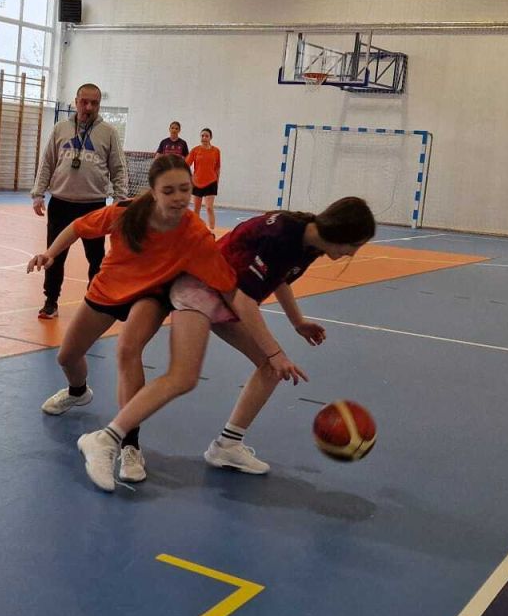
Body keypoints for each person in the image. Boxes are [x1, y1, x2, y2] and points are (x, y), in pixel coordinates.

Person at [27, 155, 302, 492]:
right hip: (109, 288)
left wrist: (268, 344)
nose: (178, 197)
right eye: (169, 190)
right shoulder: (126, 213)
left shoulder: (195, 234)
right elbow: (78, 227)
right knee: (68, 356)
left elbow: (229, 289)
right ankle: (78, 392)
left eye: (185, 189)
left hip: (152, 293)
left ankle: (128, 446)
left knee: (128, 350)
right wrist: (50, 253)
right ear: (153, 192)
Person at [199, 200, 376, 473]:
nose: (352, 253)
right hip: (207, 292)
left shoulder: (309, 242)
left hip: (221, 294)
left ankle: (227, 445)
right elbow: (243, 300)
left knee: (269, 368)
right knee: (183, 378)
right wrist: (276, 353)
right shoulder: (282, 235)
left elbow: (278, 278)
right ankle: (130, 435)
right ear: (340, 233)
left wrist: (297, 322)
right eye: (355, 245)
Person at [30, 83, 128, 321]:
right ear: (76, 102)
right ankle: (50, 302)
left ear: (99, 105)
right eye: (84, 102)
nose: (89, 107)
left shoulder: (108, 132)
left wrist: (120, 201)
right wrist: (38, 193)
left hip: (93, 206)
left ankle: (95, 303)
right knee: (54, 256)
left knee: (96, 259)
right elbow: (47, 162)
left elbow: (118, 168)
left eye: (94, 103)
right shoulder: (60, 129)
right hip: (61, 203)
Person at [187, 128, 221, 231]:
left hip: (211, 182)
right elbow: (186, 164)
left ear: (210, 137)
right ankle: (196, 230)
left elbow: (218, 167)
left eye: (206, 136)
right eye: (202, 136)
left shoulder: (216, 151)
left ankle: (212, 230)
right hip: (197, 182)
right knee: (196, 209)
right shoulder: (195, 150)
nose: (204, 138)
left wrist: (217, 180)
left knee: (209, 208)